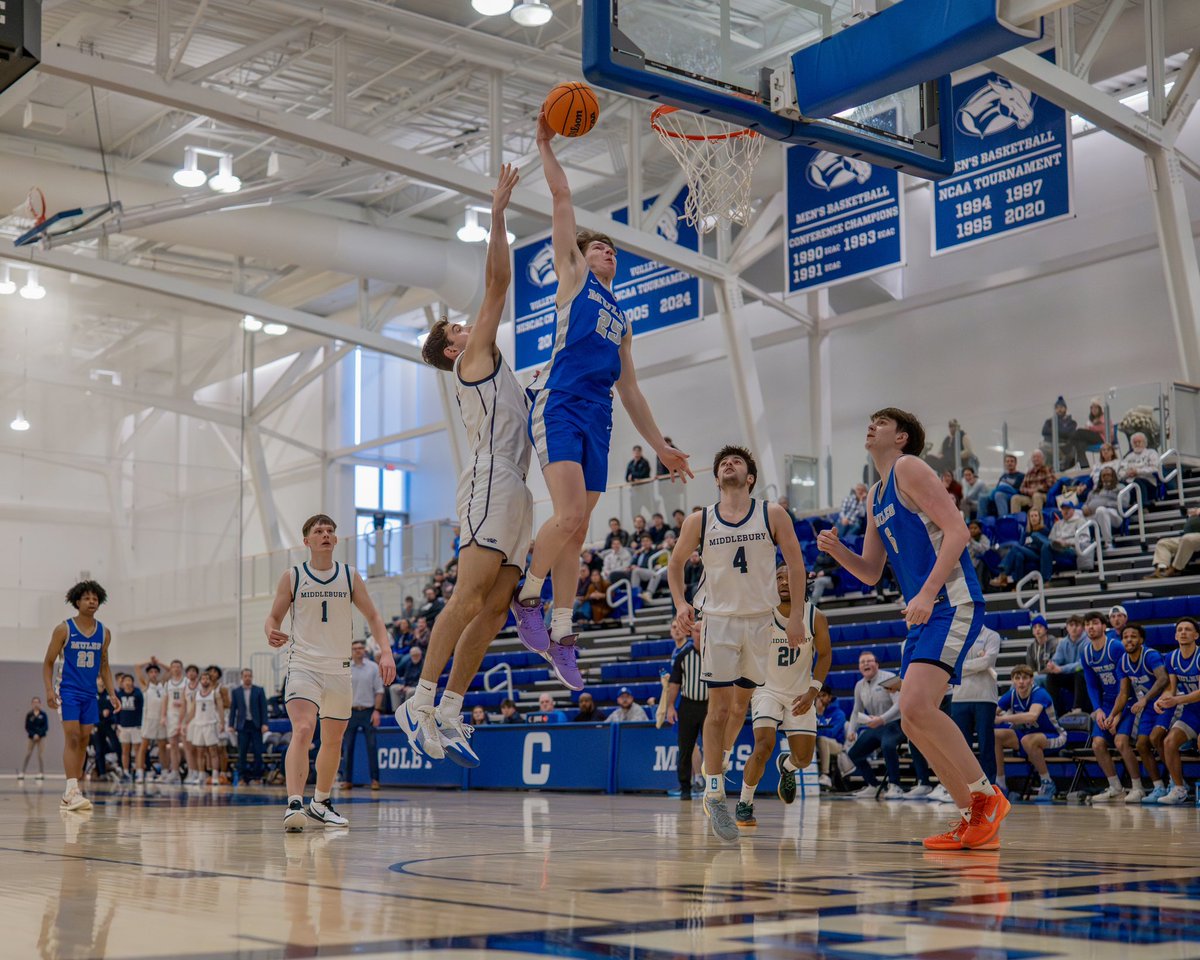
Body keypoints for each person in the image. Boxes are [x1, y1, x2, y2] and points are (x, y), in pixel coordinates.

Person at [512, 108, 691, 690]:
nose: (608, 252)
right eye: (601, 247)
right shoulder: (573, 279)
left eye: (614, 250)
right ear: (583, 255)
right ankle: (528, 596)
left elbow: (631, 389)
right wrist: (546, 146)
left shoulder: (623, 318)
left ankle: (563, 630)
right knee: (565, 517)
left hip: (600, 415)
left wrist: (660, 445)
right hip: (560, 401)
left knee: (580, 528)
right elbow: (562, 198)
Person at [816, 408, 1006, 852]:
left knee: (919, 705)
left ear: (902, 438)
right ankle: (970, 816)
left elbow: (957, 531)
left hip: (950, 599)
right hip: (924, 610)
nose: (870, 426)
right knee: (915, 720)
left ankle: (987, 796)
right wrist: (837, 550)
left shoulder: (910, 467)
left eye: (881, 422)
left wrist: (926, 592)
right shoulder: (875, 495)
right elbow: (869, 572)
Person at [668, 444, 807, 843]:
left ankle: (719, 761)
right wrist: (681, 604)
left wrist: (794, 616)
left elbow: (795, 565)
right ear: (716, 479)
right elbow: (675, 564)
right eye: (722, 463)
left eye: (737, 462)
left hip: (761, 620)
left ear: (749, 478)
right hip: (720, 620)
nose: (728, 464)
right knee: (721, 707)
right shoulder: (700, 519)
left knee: (742, 706)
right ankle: (715, 792)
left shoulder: (772, 514)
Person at [265, 513, 395, 832]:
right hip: (303, 666)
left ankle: (320, 803)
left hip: (339, 668)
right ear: (307, 541)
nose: (325, 534)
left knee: (333, 739)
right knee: (304, 728)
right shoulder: (293, 576)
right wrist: (270, 631)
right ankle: (294, 803)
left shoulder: (350, 576)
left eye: (330, 531)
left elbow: (375, 616)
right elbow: (273, 617)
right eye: (318, 531)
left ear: (336, 540)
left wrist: (386, 652)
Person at [737, 564, 831, 827]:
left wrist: (813, 691)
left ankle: (786, 766)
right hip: (767, 689)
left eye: (789, 577)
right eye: (778, 577)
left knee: (803, 759)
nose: (783, 581)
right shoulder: (763, 615)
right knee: (762, 746)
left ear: (802, 581)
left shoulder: (814, 617)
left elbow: (825, 655)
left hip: (801, 693)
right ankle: (745, 802)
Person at [42, 580, 118, 812]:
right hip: (68, 691)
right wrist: (48, 690)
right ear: (77, 601)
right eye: (86, 597)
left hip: (90, 694)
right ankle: (72, 789)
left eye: (95, 598)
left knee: (85, 739)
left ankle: (71, 794)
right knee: (73, 737)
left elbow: (104, 666)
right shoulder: (64, 629)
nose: (92, 601)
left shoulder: (104, 632)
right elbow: (48, 662)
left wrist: (113, 694)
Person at [1080, 611, 1138, 803]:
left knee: (1121, 742)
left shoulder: (1115, 647)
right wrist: (1098, 710)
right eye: (1087, 623)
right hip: (1106, 703)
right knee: (1097, 744)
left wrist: (1118, 713)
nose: (1090, 627)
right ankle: (1115, 787)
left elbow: (1127, 682)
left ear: (1104, 626)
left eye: (1095, 623)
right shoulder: (1085, 652)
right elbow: (1091, 684)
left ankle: (1137, 787)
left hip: (1128, 700)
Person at [1111, 623, 1170, 804]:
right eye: (1126, 636)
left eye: (1133, 636)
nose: (1129, 639)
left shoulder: (1150, 655)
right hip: (1147, 707)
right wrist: (1113, 715)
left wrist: (1145, 699)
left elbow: (1163, 679)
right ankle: (1158, 785)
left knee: (1156, 737)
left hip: (1164, 703)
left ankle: (1177, 783)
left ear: (1141, 640)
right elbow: (1123, 694)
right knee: (1142, 744)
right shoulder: (1122, 662)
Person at [994, 664, 1067, 802]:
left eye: (1025, 678)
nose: (1021, 681)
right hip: (1027, 738)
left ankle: (1047, 782)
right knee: (996, 735)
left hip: (1054, 736)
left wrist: (1003, 718)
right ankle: (1001, 783)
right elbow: (993, 713)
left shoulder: (1040, 693)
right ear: (1012, 681)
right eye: (1017, 678)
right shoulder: (1011, 695)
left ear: (1032, 680)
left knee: (1027, 740)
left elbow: (1032, 716)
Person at [842, 651, 904, 798]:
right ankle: (874, 785)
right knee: (854, 753)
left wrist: (882, 719)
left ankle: (896, 785)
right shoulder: (859, 685)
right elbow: (856, 711)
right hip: (876, 726)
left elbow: (899, 705)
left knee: (887, 746)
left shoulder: (889, 678)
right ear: (859, 667)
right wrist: (851, 731)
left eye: (869, 661)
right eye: (862, 662)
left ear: (876, 664)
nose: (865, 664)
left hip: (896, 723)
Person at [1152, 618, 1200, 805]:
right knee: (1169, 742)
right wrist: (1161, 700)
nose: (1183, 632)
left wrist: (1176, 700)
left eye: (1188, 629)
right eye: (1179, 629)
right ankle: (1179, 788)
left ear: (1196, 635)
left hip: (1193, 702)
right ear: (1175, 635)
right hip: (1192, 711)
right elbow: (1171, 689)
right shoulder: (1171, 657)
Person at [950, 625, 1001, 784]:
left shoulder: (992, 635)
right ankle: (966, 785)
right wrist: (978, 664)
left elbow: (988, 661)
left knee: (986, 744)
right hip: (959, 698)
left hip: (985, 698)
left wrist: (962, 666)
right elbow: (951, 665)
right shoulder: (955, 637)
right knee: (961, 747)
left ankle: (989, 785)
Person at [666, 619, 707, 799]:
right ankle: (685, 788)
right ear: (691, 633)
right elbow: (674, 683)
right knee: (685, 748)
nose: (700, 634)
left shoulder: (715, 654)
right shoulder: (683, 656)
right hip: (688, 705)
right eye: (697, 631)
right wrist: (669, 707)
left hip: (710, 706)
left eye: (703, 630)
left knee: (713, 748)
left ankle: (711, 786)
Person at [229, 667, 269, 786]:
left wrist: (265, 723)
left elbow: (264, 708)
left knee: (258, 752)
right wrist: (231, 724)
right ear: (242, 678)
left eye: (249, 676)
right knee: (242, 753)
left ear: (252, 677)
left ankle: (257, 777)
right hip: (242, 725)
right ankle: (242, 778)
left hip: (256, 725)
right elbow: (233, 709)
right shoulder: (236, 692)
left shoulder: (259, 690)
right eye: (245, 676)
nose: (247, 678)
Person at [1044, 614, 1089, 714]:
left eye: (1077, 625)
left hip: (1084, 677)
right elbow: (1057, 659)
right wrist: (1052, 664)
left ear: (1082, 627)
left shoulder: (1088, 641)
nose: (1074, 628)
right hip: (1069, 676)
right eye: (1071, 625)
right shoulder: (1063, 642)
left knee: (1080, 673)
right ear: (1067, 627)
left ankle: (1077, 708)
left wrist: (1061, 669)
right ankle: (1054, 710)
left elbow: (1082, 664)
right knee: (1051, 676)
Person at [185, 671, 223, 785]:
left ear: (210, 681)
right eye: (203, 679)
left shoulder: (215, 693)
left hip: (210, 724)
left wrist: (222, 723)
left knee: (213, 751)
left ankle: (215, 775)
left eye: (207, 679)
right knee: (199, 751)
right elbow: (192, 710)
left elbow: (220, 709)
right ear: (200, 681)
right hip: (198, 725)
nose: (205, 681)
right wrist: (184, 722)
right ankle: (201, 775)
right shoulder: (196, 694)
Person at [134, 660, 167, 783]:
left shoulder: (162, 684)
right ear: (148, 674)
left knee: (162, 746)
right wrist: (149, 661)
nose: (153, 674)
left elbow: (169, 670)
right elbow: (137, 667)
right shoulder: (145, 685)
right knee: (144, 746)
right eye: (151, 672)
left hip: (161, 719)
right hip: (149, 718)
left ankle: (164, 772)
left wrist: (158, 662)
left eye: (155, 672)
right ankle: (139, 772)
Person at [1152, 507, 1200, 578]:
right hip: (1192, 535)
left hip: (1192, 537)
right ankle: (1162, 569)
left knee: (1187, 539)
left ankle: (1175, 569)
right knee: (1163, 543)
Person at [161, 659, 189, 780]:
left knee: (187, 745)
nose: (176, 669)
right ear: (171, 669)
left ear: (181, 668)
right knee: (173, 744)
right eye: (174, 667)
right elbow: (165, 700)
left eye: (178, 666)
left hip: (185, 715)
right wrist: (163, 716)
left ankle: (191, 771)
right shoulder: (168, 684)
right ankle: (175, 771)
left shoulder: (187, 682)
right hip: (171, 715)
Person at [814, 687, 847, 789]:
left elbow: (832, 733)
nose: (820, 699)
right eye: (818, 696)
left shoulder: (839, 714)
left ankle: (825, 775)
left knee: (822, 739)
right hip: (817, 743)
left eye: (823, 695)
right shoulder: (811, 712)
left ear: (830, 697)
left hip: (837, 745)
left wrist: (820, 715)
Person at [1082, 467, 1122, 548]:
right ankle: (1084, 544)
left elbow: (1123, 503)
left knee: (1101, 510)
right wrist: (1084, 508)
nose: (1106, 477)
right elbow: (1086, 503)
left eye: (1108, 475)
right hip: (1094, 515)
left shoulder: (1120, 487)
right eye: (1103, 475)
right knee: (1076, 514)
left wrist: (1105, 504)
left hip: (1113, 514)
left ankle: (1108, 543)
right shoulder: (1094, 491)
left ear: (1113, 476)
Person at [1118, 432, 1160, 504]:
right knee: (1119, 484)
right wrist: (1127, 473)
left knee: (1138, 481)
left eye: (1139, 442)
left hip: (1148, 483)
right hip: (1130, 482)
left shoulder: (1151, 453)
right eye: (1135, 442)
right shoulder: (1128, 457)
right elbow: (1120, 471)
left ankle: (1144, 505)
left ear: (1144, 443)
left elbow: (1155, 468)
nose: (1137, 444)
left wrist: (1137, 471)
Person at [115, 673, 144, 781]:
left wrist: (141, 724)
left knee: (137, 750)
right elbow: (116, 711)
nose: (127, 683)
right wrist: (117, 725)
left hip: (136, 726)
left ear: (132, 682)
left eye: (129, 680)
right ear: (122, 683)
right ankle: (126, 772)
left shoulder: (138, 693)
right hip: (123, 726)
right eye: (125, 681)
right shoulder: (119, 694)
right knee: (125, 750)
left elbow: (142, 710)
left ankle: (139, 772)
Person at [1010, 449, 1056, 515]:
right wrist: (1029, 491)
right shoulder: (1029, 472)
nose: (1036, 459)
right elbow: (1022, 488)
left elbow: (1051, 484)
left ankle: (1037, 522)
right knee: (1015, 498)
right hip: (1029, 497)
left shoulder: (1047, 469)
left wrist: (1036, 489)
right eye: (1034, 457)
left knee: (1036, 495)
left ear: (1042, 459)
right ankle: (1016, 522)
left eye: (1038, 457)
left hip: (1044, 496)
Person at [980, 453, 1024, 519]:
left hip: (1012, 495)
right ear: (1005, 464)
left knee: (999, 494)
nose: (1009, 463)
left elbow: (1018, 490)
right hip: (1000, 493)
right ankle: (980, 522)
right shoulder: (1003, 476)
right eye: (1007, 461)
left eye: (1012, 461)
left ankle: (1003, 519)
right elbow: (997, 487)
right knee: (982, 497)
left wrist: (1002, 488)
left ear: (1015, 463)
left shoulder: (1020, 476)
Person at [1041, 396, 1078, 469]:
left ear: (1065, 409)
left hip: (1065, 447)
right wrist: (1063, 432)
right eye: (1057, 408)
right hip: (1050, 446)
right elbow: (1044, 432)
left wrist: (1055, 432)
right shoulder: (1049, 421)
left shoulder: (1072, 422)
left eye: (1061, 407)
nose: (1059, 409)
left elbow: (1070, 434)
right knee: (1042, 450)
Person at [20, 696, 48, 780]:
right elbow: (27, 727)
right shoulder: (29, 715)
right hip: (31, 738)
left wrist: (39, 734)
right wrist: (33, 734)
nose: (36, 704)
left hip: (41, 738)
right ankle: (22, 772)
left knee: (41, 755)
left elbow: (45, 727)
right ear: (32, 704)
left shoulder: (43, 715)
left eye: (37, 702)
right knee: (28, 753)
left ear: (40, 704)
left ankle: (41, 773)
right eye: (34, 702)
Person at [1024, 615, 1058, 680]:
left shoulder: (1054, 644)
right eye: (1034, 627)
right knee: (1015, 684)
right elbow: (1030, 667)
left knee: (1035, 680)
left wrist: (1037, 674)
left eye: (1040, 626)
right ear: (1033, 632)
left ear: (1045, 629)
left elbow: (1053, 666)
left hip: (1052, 677)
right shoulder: (1030, 648)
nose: (1037, 629)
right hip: (1036, 676)